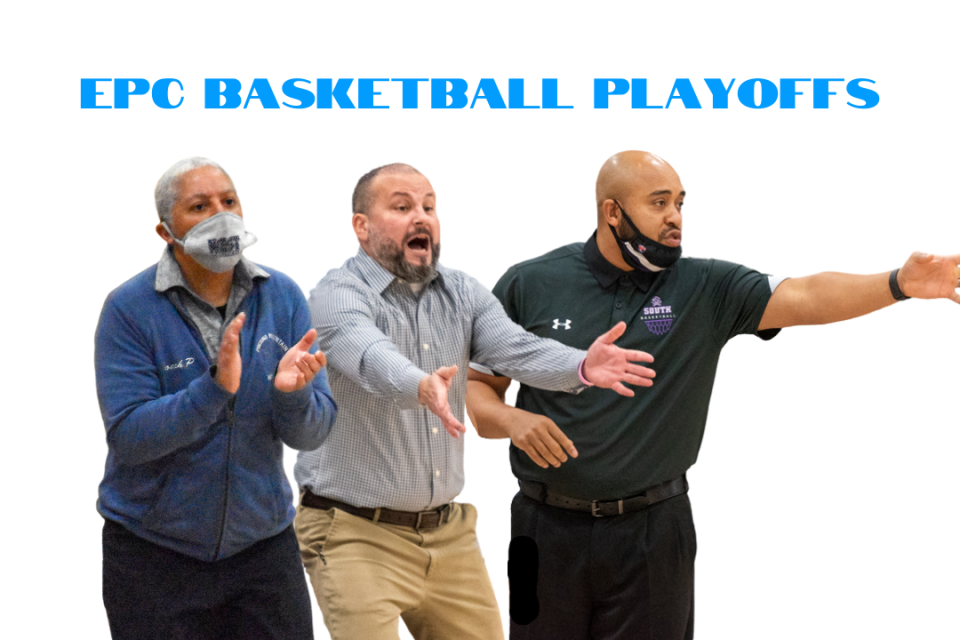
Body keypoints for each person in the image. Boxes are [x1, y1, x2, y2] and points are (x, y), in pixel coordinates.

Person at [465, 150, 960, 640]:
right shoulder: (531, 282)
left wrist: (899, 284)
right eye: (659, 203)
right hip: (541, 528)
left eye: (680, 203)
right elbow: (480, 387)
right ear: (612, 212)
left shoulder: (705, 286)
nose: (675, 218)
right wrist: (510, 421)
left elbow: (806, 296)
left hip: (655, 532)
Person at [293, 162, 654, 640]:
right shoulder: (336, 294)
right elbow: (368, 354)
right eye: (401, 207)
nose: (420, 217)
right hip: (353, 532)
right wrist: (421, 384)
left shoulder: (462, 291)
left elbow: (516, 347)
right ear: (361, 226)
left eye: (428, 206)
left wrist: (583, 366)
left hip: (447, 536)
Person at [95, 157, 337, 640]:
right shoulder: (129, 308)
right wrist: (212, 390)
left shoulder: (281, 295)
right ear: (167, 232)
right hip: (153, 555)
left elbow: (313, 432)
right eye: (199, 206)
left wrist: (292, 396)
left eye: (229, 202)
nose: (220, 215)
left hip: (262, 551)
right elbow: (130, 436)